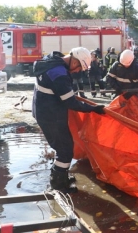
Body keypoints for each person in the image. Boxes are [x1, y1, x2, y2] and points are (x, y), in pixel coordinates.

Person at [32, 47, 105, 193]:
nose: (78, 71)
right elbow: (70, 102)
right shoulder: (59, 75)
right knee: (65, 150)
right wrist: (93, 108)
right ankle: (58, 184)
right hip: (50, 116)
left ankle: (61, 176)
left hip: (45, 111)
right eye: (79, 68)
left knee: (64, 147)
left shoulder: (52, 61)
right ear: (74, 61)